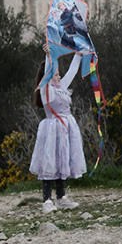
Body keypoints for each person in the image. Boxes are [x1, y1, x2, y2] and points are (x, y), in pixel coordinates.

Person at [30, 44, 86, 214]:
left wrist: (78, 55)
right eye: (55, 74)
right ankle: (47, 200)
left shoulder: (61, 87)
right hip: (53, 129)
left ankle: (61, 198)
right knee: (50, 162)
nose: (59, 75)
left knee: (63, 160)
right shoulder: (46, 91)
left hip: (66, 129)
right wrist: (49, 56)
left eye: (58, 73)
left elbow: (72, 72)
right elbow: (49, 71)